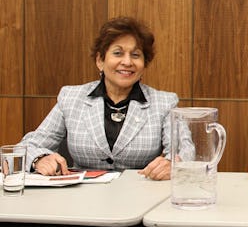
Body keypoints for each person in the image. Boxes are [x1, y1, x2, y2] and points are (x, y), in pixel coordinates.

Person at [18, 16, 178, 180]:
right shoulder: (71, 98)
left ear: (144, 64)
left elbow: (184, 152)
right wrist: (39, 159)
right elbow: (28, 146)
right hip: (81, 197)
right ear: (100, 60)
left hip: (141, 196)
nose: (127, 62)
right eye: (118, 53)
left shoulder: (164, 103)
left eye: (136, 55)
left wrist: (172, 164)